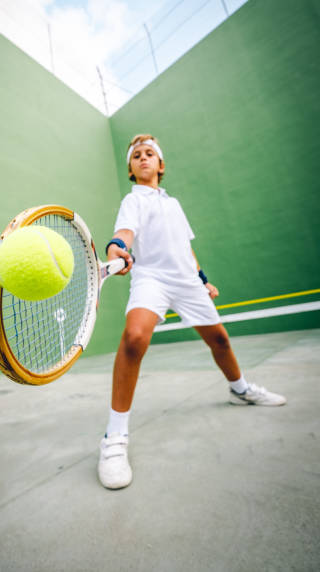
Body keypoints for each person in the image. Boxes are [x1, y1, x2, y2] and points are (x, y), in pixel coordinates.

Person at [98, 133, 286, 490]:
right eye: (136, 155)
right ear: (130, 169)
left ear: (161, 164)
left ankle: (240, 390)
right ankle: (114, 438)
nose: (143, 158)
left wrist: (202, 280)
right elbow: (123, 234)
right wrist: (116, 250)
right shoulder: (132, 200)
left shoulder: (174, 204)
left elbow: (184, 246)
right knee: (135, 338)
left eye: (149, 153)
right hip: (150, 277)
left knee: (220, 340)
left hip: (186, 279)